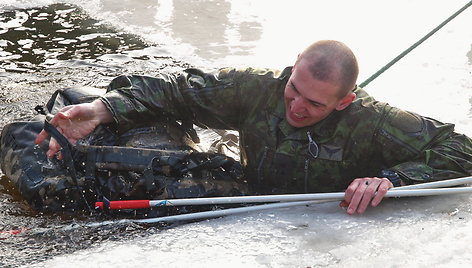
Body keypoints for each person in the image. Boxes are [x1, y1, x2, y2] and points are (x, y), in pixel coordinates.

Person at [36, 40, 472, 215]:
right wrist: (102, 109)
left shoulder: (372, 120)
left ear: (345, 100)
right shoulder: (260, 87)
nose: (297, 107)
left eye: (315, 103)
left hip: (312, 219)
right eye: (294, 91)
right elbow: (179, 89)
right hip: (249, 190)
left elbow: (459, 149)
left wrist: (391, 179)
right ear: (291, 70)